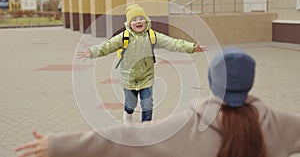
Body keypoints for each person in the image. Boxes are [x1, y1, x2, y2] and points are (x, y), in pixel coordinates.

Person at [15, 47, 300, 157]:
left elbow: (125, 136)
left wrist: (59, 144)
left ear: (212, 82)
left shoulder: (189, 126)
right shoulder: (278, 124)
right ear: (249, 82)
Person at [77, 4, 205, 124]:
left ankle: (145, 128)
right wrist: (92, 52)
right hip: (129, 77)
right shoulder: (123, 37)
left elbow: (172, 43)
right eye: (134, 20)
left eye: (141, 18)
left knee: (147, 104)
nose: (138, 22)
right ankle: (128, 114)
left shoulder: (152, 35)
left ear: (146, 21)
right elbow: (107, 46)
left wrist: (192, 48)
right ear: (129, 24)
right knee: (131, 103)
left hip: (146, 77)